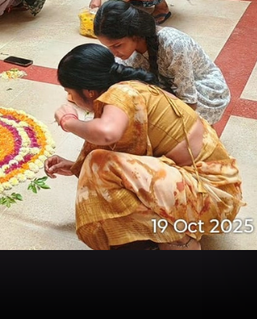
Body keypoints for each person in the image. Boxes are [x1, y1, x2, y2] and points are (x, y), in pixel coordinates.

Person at [44, 44, 243, 250]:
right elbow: (122, 151)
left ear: (89, 91)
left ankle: (180, 242)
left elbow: (107, 133)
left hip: (210, 195)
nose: (70, 99)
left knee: (99, 164)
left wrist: (68, 121)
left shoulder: (121, 93)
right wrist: (76, 166)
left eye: (70, 92)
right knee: (98, 166)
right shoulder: (130, 88)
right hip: (213, 191)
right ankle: (161, 233)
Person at [93, 0, 230, 125]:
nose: (114, 53)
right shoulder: (126, 55)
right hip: (170, 87)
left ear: (135, 35)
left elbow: (189, 101)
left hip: (205, 94)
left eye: (117, 46)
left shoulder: (174, 44)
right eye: (108, 47)